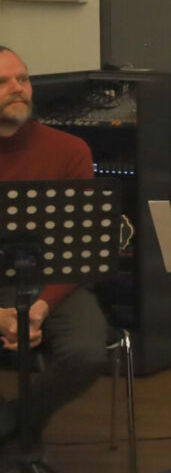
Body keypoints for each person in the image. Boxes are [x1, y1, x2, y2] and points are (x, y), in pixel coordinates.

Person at [0, 47, 109, 452]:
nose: (17, 89)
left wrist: (40, 308)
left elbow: (81, 245)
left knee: (86, 354)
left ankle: (14, 425)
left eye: (23, 79)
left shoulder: (69, 150)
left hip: (55, 280)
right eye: (3, 82)